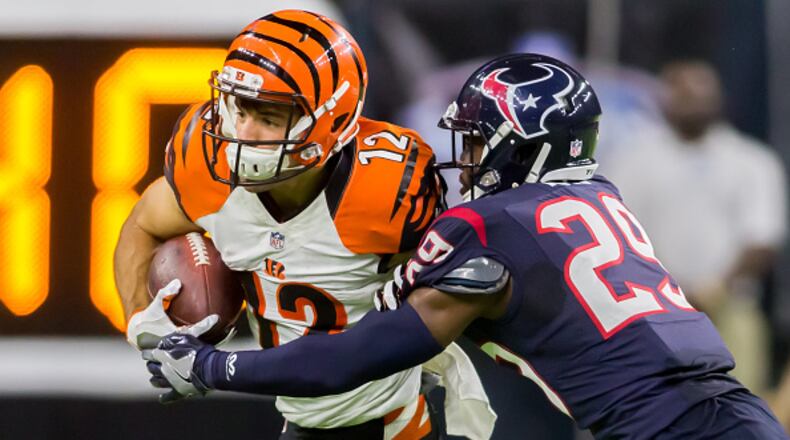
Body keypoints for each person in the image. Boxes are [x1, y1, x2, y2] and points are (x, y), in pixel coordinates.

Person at [147, 53, 789, 439]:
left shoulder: (489, 227)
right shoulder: (604, 198)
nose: (468, 159)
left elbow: (358, 355)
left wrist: (214, 367)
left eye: (479, 141)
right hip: (737, 415)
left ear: (522, 144)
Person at [116, 9, 470, 440]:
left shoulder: (386, 194)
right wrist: (140, 323)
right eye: (238, 108)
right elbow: (142, 224)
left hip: (392, 423)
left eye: (268, 118)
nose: (243, 133)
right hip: (301, 420)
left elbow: (431, 315)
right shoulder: (207, 172)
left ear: (332, 123)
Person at [605, 60, 788, 392]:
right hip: (650, 305)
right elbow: (616, 231)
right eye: (685, 94)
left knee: (739, 402)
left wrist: (714, 288)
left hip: (730, 302)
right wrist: (665, 286)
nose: (695, 103)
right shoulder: (633, 159)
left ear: (719, 99)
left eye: (703, 94)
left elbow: (763, 238)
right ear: (665, 98)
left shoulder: (751, 160)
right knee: (652, 406)